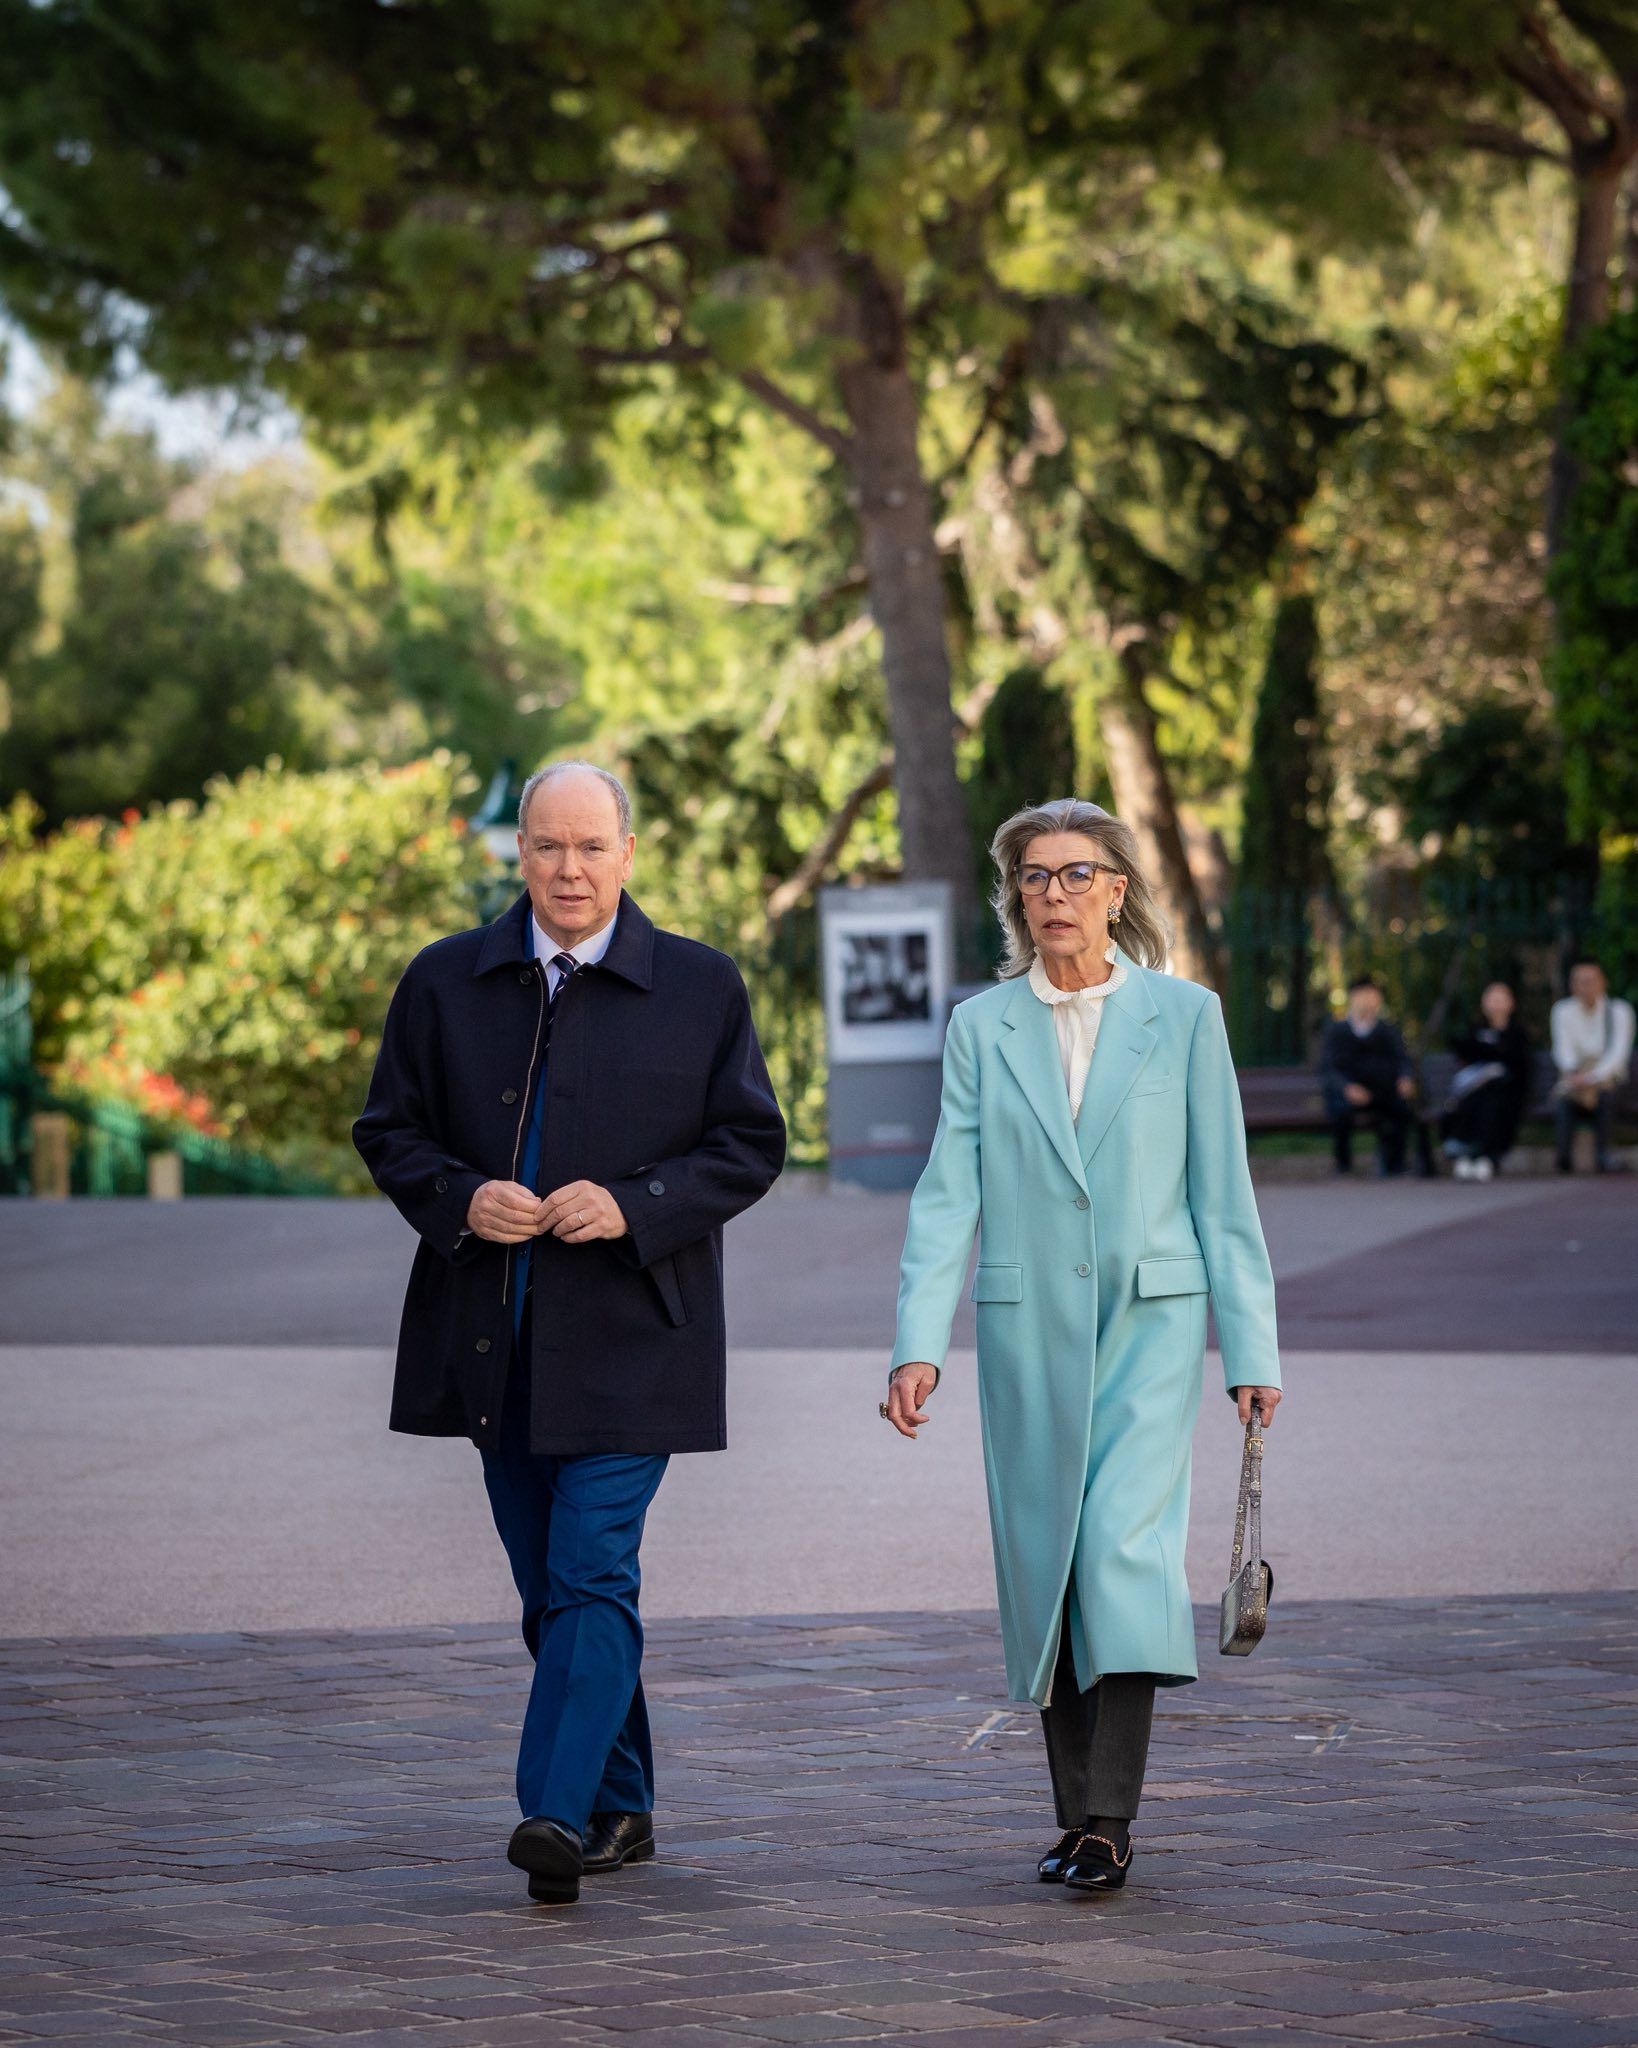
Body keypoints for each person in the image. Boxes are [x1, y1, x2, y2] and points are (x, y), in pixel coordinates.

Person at [354, 762, 785, 1906]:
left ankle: (552, 1807)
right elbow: (387, 1129)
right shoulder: (445, 980)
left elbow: (750, 1144)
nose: (569, 868)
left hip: (638, 1338)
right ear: (520, 853)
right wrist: (458, 1196)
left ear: (629, 852)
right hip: (492, 1340)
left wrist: (635, 1204)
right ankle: (625, 1799)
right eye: (547, 845)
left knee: (592, 1564)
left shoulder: (702, 985)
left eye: (592, 846)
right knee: (555, 1589)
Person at [885, 799, 1281, 1895]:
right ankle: (1078, 1816)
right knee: (1051, 1559)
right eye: (1034, 877)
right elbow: (946, 1193)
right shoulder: (982, 1027)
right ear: (1017, 897)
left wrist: (1252, 1348)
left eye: (1076, 874)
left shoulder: (1186, 1016)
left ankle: (1110, 1816)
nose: (1054, 894)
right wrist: (919, 1342)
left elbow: (1225, 1197)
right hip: (1026, 1336)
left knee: (1121, 1551)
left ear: (1117, 889)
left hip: (1153, 1324)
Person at [1318, 977, 1426, 1177]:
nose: (1368, 1000)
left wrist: (1405, 1078)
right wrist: (1347, 1087)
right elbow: (1329, 1068)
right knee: (1341, 1112)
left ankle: (1396, 1165)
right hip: (1349, 1092)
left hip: (1382, 1091)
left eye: (1373, 995)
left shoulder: (1388, 1030)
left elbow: (1402, 1059)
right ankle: (1344, 1166)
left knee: (1402, 1110)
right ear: (1352, 998)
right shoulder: (1337, 1030)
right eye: (1363, 994)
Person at [1440, 981, 1532, 1181]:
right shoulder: (1475, 1030)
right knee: (1476, 1101)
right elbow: (1465, 1051)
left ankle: (1486, 1157)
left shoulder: (1518, 1033)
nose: (1496, 1004)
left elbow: (1520, 1067)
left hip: (1507, 1093)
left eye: (1501, 998)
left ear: (1511, 1003)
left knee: (1495, 1102)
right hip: (1477, 1093)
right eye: (1492, 999)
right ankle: (1468, 1152)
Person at [1550, 960, 1635, 1174]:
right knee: (1564, 1099)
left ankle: (1603, 1154)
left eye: (1590, 981)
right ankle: (1563, 1158)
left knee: (1606, 1095)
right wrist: (1574, 1075)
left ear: (1602, 982)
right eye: (1579, 981)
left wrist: (1592, 1078)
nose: (1584, 986)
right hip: (1574, 1076)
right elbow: (1563, 1049)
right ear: (1572, 985)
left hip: (1607, 1078)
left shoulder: (1619, 1011)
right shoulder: (1562, 1010)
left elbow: (1617, 1055)